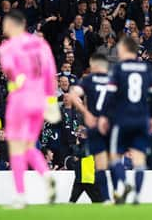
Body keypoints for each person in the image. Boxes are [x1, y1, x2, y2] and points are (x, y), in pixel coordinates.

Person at [0, 10, 60, 208]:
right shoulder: (41, 44)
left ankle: (20, 195)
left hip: (19, 99)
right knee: (28, 145)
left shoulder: (7, 47)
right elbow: (50, 71)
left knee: (17, 147)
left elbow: (9, 68)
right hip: (39, 100)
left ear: (11, 24)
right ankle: (46, 174)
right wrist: (50, 101)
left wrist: (17, 77)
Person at [99, 36, 152, 204]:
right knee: (139, 158)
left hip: (122, 119)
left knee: (115, 156)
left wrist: (104, 115)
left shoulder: (118, 68)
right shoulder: (146, 68)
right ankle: (137, 196)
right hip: (141, 119)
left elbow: (110, 95)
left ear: (125, 48)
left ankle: (124, 184)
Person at [68, 53, 111, 202]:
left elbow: (73, 95)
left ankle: (103, 199)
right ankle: (105, 198)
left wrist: (86, 113)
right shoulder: (112, 80)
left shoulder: (88, 81)